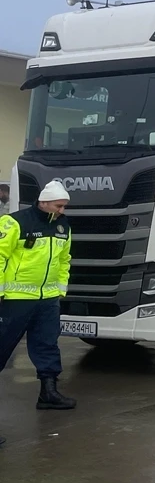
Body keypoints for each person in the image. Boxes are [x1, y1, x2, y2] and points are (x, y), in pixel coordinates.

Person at [0, 180, 78, 442]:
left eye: (65, 206)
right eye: (59, 205)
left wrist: (59, 291)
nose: (63, 210)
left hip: (47, 299)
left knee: (47, 345)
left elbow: (64, 259)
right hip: (15, 298)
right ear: (44, 202)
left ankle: (48, 393)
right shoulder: (15, 222)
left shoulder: (62, 226)